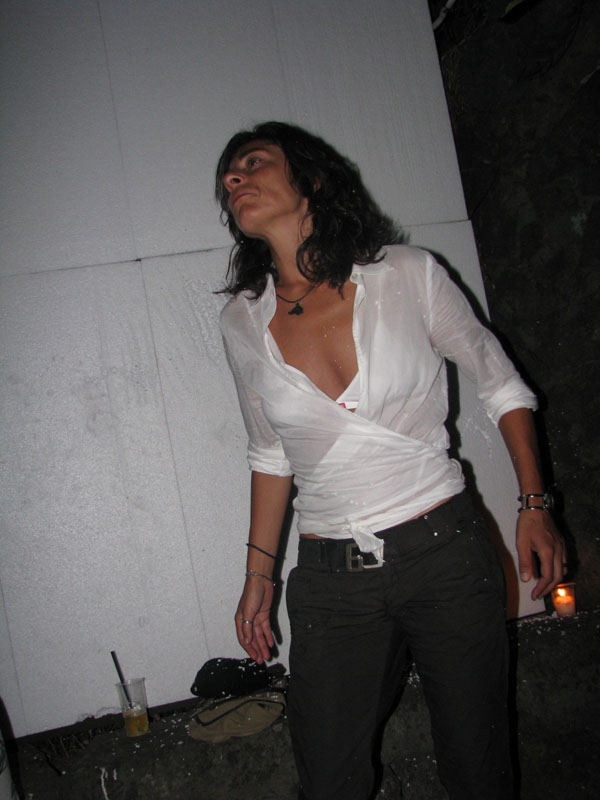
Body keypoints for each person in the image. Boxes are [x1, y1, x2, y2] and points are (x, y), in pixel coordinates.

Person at [215, 121, 565, 800]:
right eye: (229, 176)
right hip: (330, 579)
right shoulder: (241, 322)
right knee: (330, 779)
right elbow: (269, 452)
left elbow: (502, 385)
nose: (234, 179)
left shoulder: (406, 273)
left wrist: (534, 505)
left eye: (253, 163)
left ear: (312, 179)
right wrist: (259, 575)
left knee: (477, 768)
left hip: (444, 552)